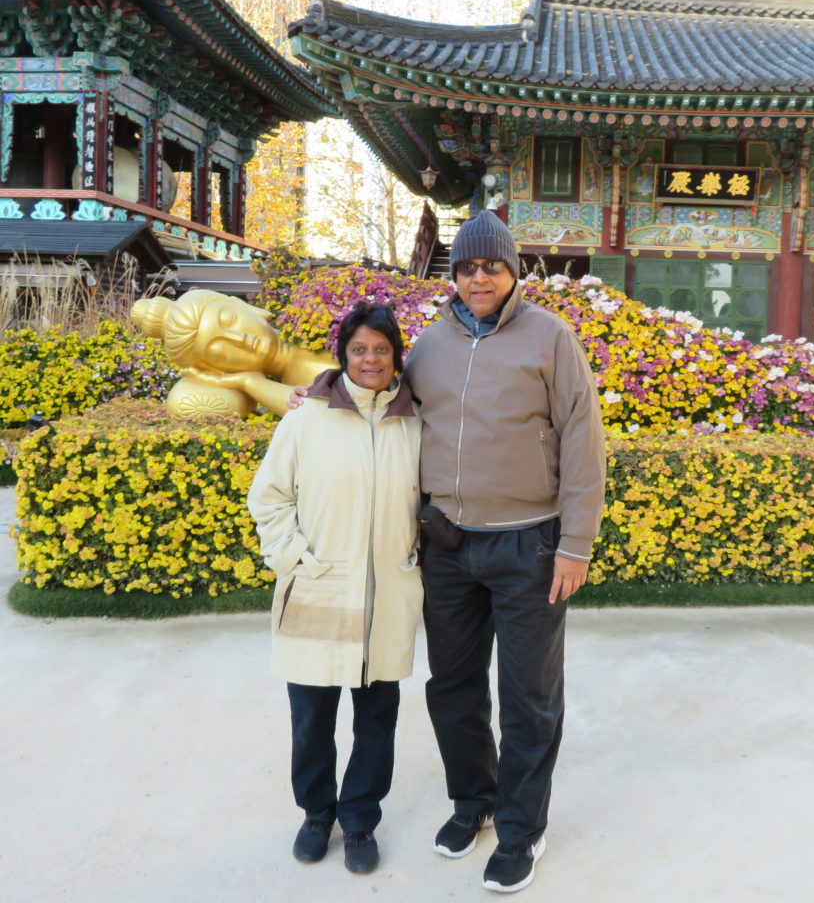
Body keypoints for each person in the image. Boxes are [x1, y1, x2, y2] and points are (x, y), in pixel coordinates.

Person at [290, 210, 606, 893]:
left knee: (529, 696)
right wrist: (316, 394)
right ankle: (475, 801)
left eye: (490, 265)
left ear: (513, 270)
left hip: (531, 543)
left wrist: (575, 543)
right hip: (449, 546)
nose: (478, 277)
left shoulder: (551, 340)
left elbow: (583, 440)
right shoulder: (429, 345)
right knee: (453, 690)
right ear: (454, 275)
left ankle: (522, 830)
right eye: (466, 267)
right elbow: (373, 388)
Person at [247, 301, 423, 876]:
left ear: (396, 355)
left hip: (388, 597)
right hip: (319, 588)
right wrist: (294, 561)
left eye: (381, 349)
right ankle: (317, 814)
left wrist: (412, 555)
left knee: (377, 719)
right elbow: (269, 497)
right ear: (342, 354)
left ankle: (361, 819)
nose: (371, 359)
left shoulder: (415, 419)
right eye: (359, 349)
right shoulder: (306, 417)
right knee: (311, 718)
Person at [131, 290, 335, 417]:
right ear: (219, 370)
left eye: (230, 320)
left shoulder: (317, 317)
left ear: (241, 305)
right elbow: (322, 418)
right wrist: (248, 382)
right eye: (220, 351)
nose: (240, 339)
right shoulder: (290, 386)